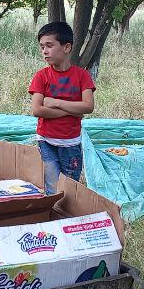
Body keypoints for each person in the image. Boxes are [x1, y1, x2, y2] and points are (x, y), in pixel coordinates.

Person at [28, 21, 95, 195]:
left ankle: (67, 216)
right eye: (42, 46)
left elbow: (88, 106)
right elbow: (37, 110)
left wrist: (56, 103)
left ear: (66, 47)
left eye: (49, 45)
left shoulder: (82, 76)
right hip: (46, 141)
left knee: (70, 186)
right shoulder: (41, 76)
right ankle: (54, 215)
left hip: (71, 143)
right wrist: (73, 110)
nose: (44, 51)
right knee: (51, 184)